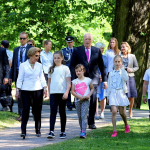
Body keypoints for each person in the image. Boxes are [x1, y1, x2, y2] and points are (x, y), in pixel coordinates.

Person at [70, 33, 107, 129]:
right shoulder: (77, 50)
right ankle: (83, 121)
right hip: (80, 80)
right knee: (80, 100)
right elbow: (72, 65)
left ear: (92, 40)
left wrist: (105, 80)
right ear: (83, 40)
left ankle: (91, 122)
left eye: (89, 39)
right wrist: (74, 80)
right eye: (86, 39)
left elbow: (102, 66)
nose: (87, 41)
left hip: (93, 80)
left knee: (93, 101)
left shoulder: (96, 50)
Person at [16, 47, 47, 139]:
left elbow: (42, 78)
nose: (37, 57)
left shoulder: (39, 65)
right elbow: (20, 79)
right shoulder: (23, 65)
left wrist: (45, 88)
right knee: (25, 110)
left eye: (38, 55)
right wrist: (17, 90)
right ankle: (23, 131)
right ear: (31, 55)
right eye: (36, 55)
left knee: (37, 111)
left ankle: (38, 130)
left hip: (38, 90)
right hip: (26, 90)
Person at [47, 51, 71, 139]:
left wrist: (66, 92)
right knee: (53, 112)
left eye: (58, 58)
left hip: (62, 93)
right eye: (55, 58)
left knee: (62, 112)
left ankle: (62, 131)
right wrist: (49, 93)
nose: (56, 59)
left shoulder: (65, 68)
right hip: (53, 93)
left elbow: (69, 82)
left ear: (61, 58)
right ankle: (51, 131)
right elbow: (49, 83)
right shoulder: (51, 69)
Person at [9, 32, 32, 121]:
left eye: (23, 38)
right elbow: (14, 64)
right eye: (20, 38)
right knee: (19, 94)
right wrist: (10, 76)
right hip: (18, 74)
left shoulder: (31, 49)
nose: (21, 40)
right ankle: (21, 114)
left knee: (28, 94)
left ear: (27, 39)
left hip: (28, 74)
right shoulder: (16, 49)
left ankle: (28, 111)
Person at [107, 55, 130, 137]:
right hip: (113, 92)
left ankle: (126, 125)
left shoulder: (123, 71)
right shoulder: (111, 73)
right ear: (113, 62)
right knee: (114, 111)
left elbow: (126, 78)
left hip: (121, 92)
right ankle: (114, 130)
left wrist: (123, 70)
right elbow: (109, 85)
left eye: (119, 62)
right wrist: (108, 96)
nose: (117, 63)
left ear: (121, 63)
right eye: (116, 62)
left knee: (122, 112)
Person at [71, 64, 94, 138]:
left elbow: (92, 88)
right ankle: (82, 130)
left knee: (83, 115)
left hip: (85, 100)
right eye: (76, 71)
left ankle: (84, 131)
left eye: (79, 71)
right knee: (80, 116)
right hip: (78, 101)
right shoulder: (74, 81)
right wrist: (79, 97)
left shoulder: (88, 80)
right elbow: (73, 91)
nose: (78, 73)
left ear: (83, 71)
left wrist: (88, 95)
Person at [120, 42, 139, 118]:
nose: (122, 48)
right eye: (121, 47)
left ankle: (130, 110)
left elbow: (137, 67)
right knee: (123, 94)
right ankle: (123, 111)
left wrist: (131, 69)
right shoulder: (118, 56)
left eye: (124, 47)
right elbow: (114, 67)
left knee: (131, 96)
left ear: (127, 48)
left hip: (130, 77)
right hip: (121, 77)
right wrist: (119, 67)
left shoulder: (132, 56)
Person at [61, 36, 75, 111]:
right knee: (68, 87)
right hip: (66, 72)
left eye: (71, 42)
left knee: (76, 87)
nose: (70, 43)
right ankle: (69, 104)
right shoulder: (63, 51)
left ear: (73, 42)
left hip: (75, 72)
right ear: (66, 42)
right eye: (68, 42)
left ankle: (75, 103)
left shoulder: (76, 50)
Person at [95, 42, 108, 119]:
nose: (102, 50)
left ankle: (102, 112)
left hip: (103, 79)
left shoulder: (105, 58)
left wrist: (103, 77)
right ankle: (96, 113)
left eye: (103, 48)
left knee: (103, 96)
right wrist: (98, 76)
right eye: (100, 48)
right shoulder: (93, 57)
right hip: (95, 78)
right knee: (95, 96)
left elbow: (105, 69)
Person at [1, 40, 13, 111]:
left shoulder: (3, 52)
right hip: (9, 73)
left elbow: (10, 62)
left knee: (3, 90)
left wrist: (7, 72)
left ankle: (6, 105)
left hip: (5, 73)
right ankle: (9, 105)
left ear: (2, 45)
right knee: (8, 90)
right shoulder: (10, 52)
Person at [0, 46, 9, 111]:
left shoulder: (2, 50)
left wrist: (6, 76)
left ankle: (5, 106)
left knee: (1, 91)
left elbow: (6, 64)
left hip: (0, 75)